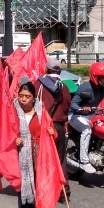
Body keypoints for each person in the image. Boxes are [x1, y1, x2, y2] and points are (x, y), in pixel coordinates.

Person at [14, 82, 56, 208]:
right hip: (21, 160)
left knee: (42, 192)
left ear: (34, 98)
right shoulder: (12, 112)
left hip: (41, 159)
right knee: (24, 194)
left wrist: (53, 132)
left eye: (27, 97)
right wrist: (14, 140)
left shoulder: (41, 112)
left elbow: (50, 130)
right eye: (21, 96)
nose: (23, 100)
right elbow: (6, 133)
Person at [68, 62, 104, 174]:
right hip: (76, 115)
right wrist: (81, 108)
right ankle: (84, 161)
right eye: (103, 78)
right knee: (86, 129)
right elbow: (72, 104)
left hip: (92, 115)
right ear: (96, 77)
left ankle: (100, 150)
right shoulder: (85, 88)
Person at [34, 59, 72, 199]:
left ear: (46, 70)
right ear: (60, 71)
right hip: (59, 127)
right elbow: (67, 107)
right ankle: (63, 192)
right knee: (60, 160)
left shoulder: (38, 85)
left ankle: (43, 190)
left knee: (41, 160)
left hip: (42, 127)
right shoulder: (65, 87)